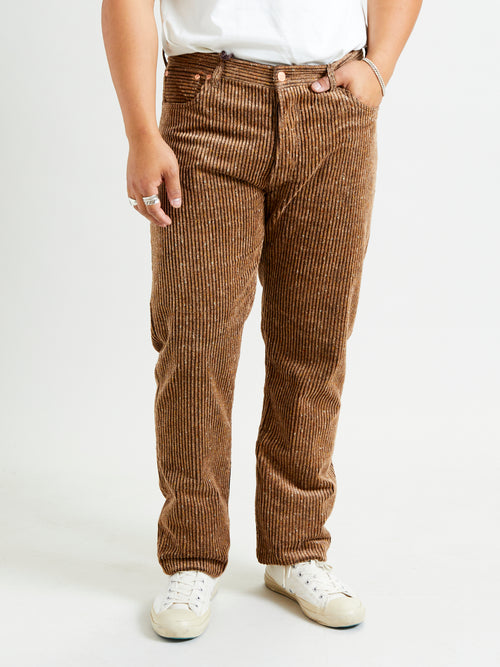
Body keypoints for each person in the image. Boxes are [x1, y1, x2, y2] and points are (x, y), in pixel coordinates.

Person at [102, 0, 422, 640]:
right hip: (208, 104)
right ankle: (192, 556)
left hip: (332, 105)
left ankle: (296, 546)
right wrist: (141, 132)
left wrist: (379, 67)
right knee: (195, 340)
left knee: (315, 341)